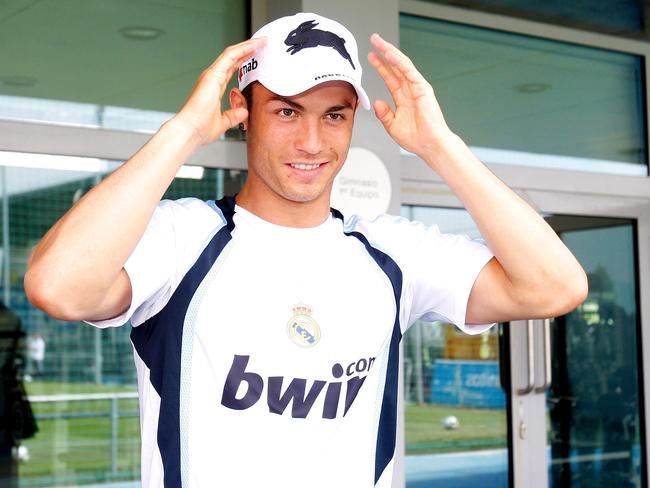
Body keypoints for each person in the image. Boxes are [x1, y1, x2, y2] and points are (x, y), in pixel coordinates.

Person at [23, 12, 587, 488]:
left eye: (334, 116)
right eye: (287, 111)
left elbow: (555, 286)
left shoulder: (391, 251)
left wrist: (440, 148)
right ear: (246, 116)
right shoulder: (183, 238)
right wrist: (186, 130)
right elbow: (59, 287)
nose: (312, 142)